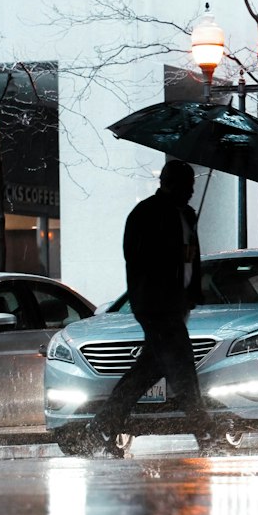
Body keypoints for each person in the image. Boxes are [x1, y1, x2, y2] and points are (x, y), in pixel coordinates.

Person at [86, 160, 211, 456]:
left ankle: (102, 426)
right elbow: (139, 258)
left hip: (174, 304)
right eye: (186, 186)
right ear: (170, 184)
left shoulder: (186, 216)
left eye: (192, 186)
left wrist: (191, 293)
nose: (191, 191)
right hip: (157, 305)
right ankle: (206, 432)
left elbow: (191, 260)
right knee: (182, 368)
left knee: (147, 370)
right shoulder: (147, 213)